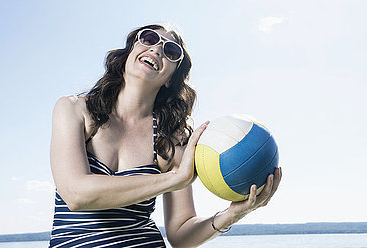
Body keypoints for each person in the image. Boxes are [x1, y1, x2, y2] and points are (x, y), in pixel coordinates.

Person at [48, 24, 282, 248]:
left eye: (171, 51)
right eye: (149, 39)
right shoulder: (74, 109)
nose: (157, 49)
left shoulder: (171, 141)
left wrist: (232, 214)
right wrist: (174, 178)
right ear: (130, 53)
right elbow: (76, 194)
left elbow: (180, 234)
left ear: (170, 78)